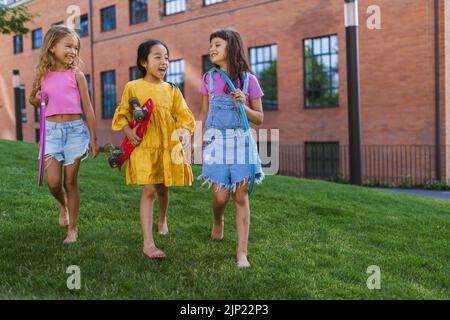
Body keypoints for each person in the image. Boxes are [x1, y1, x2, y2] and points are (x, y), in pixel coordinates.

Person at [112, 39, 195, 259]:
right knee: (149, 189)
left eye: (166, 57)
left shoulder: (172, 90)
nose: (164, 62)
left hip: (165, 145)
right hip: (143, 145)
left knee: (162, 187)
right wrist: (128, 131)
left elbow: (185, 116)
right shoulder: (133, 87)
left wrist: (185, 131)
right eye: (157, 57)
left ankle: (162, 219)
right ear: (143, 62)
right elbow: (123, 113)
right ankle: (148, 244)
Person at [198, 29, 265, 268]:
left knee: (240, 195)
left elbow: (259, 118)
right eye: (211, 45)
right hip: (216, 142)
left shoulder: (249, 80)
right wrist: (199, 141)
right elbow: (204, 114)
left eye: (217, 44)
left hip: (241, 143)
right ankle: (218, 220)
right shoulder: (208, 79)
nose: (212, 49)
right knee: (219, 196)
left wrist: (243, 105)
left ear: (231, 47)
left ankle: (242, 253)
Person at [29, 25, 98, 243]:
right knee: (52, 183)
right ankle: (64, 205)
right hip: (51, 132)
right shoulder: (42, 74)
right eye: (68, 46)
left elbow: (88, 108)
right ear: (52, 47)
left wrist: (94, 138)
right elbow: (32, 99)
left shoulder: (77, 75)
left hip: (75, 131)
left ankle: (73, 229)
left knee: (70, 181)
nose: (73, 52)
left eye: (76, 48)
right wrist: (38, 97)